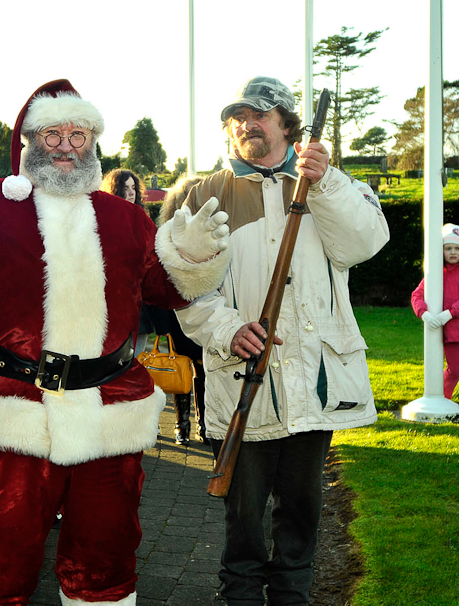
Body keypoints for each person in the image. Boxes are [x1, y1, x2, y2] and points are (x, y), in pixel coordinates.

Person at [0, 79, 231, 606]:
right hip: (12, 415)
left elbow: (162, 289)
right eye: (52, 133)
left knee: (104, 564)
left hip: (108, 415)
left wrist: (192, 257)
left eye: (78, 134)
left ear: (93, 143)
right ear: (28, 141)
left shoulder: (124, 217)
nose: (65, 145)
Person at [175, 76, 390, 605]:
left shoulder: (330, 185)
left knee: (301, 512)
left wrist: (326, 182)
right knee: (244, 522)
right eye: (237, 118)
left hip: (314, 383)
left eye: (261, 115)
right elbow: (183, 289)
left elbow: (364, 244)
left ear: (288, 125)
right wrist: (228, 328)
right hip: (244, 380)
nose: (247, 124)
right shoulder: (203, 195)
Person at [151, 175, 208, 445]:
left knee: (205, 368)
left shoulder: (214, 231)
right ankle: (182, 425)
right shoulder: (166, 236)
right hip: (177, 314)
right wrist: (162, 325)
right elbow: (158, 280)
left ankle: (206, 424)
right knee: (181, 366)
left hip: (209, 311)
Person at [100, 168, 154, 353]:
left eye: (134, 187)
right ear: (115, 190)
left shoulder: (142, 219)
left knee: (135, 357)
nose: (131, 193)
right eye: (125, 188)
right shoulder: (105, 220)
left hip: (138, 300)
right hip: (112, 300)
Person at [411, 223, 459, 400]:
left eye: (457, 248)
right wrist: (423, 313)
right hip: (452, 333)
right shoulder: (437, 273)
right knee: (455, 369)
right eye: (448, 248)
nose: (453, 252)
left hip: (451, 320)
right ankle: (443, 400)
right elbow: (417, 295)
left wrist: (450, 312)